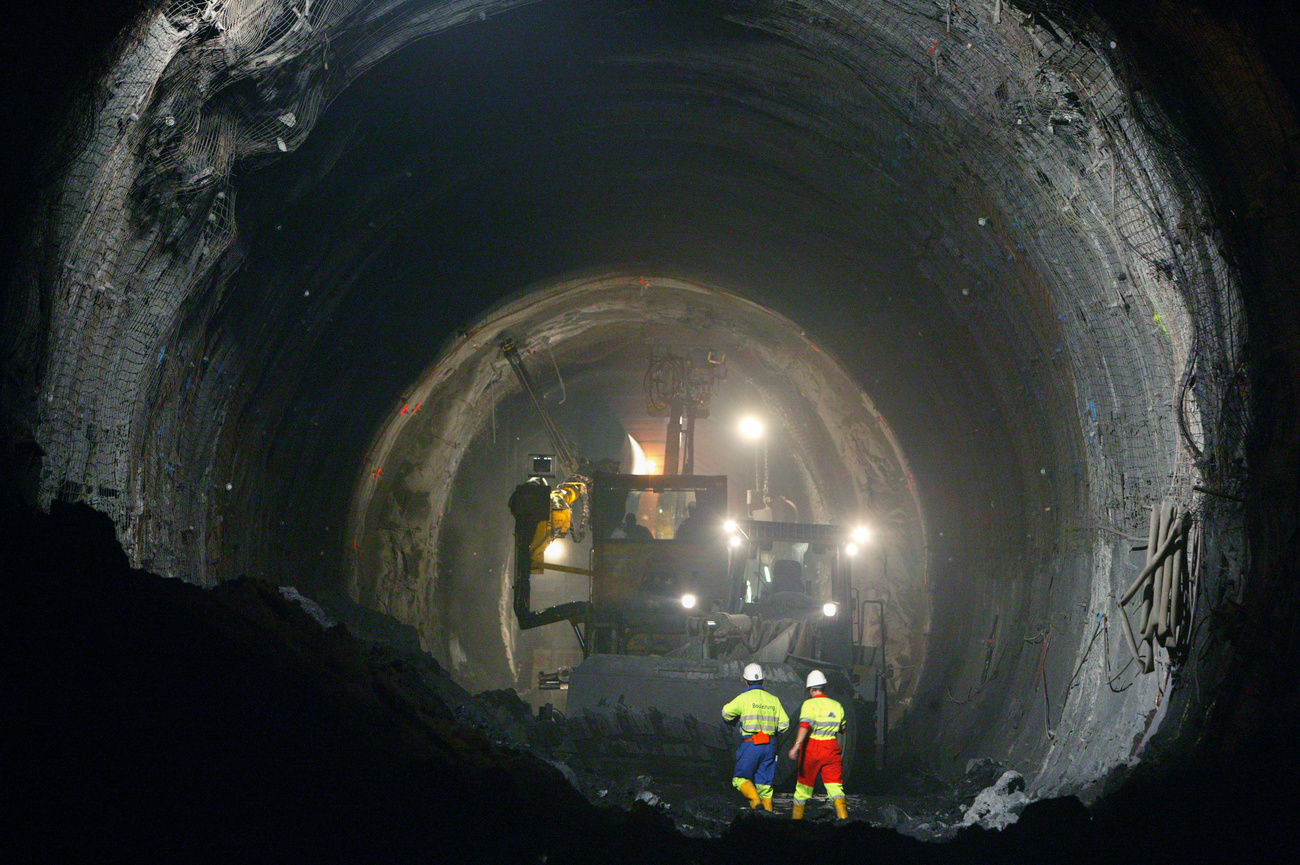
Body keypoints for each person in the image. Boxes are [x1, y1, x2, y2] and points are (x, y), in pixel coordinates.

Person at [721, 663, 790, 812]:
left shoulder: (744, 698)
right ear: (763, 681)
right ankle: (767, 817)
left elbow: (726, 713)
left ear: (746, 681)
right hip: (770, 745)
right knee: (765, 786)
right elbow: (784, 724)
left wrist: (734, 721)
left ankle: (755, 801)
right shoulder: (774, 700)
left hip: (751, 744)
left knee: (739, 779)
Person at [787, 669, 848, 820]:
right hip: (832, 747)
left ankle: (796, 822)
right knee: (835, 786)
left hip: (813, 748)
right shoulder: (837, 705)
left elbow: (805, 726)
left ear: (811, 689)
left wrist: (796, 746)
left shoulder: (809, 704)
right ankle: (844, 819)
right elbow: (843, 729)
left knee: (803, 788)